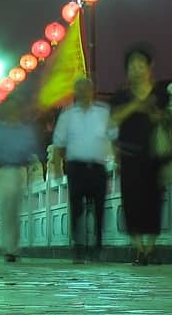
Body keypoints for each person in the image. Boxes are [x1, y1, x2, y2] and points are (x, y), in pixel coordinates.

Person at [108, 43, 172, 265]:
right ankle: (139, 249)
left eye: (140, 64)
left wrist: (154, 111)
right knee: (132, 202)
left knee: (154, 200)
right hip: (130, 154)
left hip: (156, 154)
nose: (136, 69)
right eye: (131, 65)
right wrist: (136, 105)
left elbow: (170, 116)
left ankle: (151, 248)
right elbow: (113, 119)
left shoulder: (161, 92)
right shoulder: (122, 96)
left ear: (149, 66)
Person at [51, 75, 114, 262]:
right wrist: (56, 167)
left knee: (99, 207)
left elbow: (113, 135)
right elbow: (59, 142)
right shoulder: (68, 115)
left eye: (87, 89)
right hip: (76, 167)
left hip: (97, 166)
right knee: (76, 207)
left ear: (92, 91)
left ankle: (97, 246)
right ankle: (78, 248)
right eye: (79, 89)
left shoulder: (103, 112)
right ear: (75, 92)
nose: (83, 92)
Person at [0, 94, 41, 262]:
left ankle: (13, 246)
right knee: (7, 209)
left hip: (19, 170)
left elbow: (32, 149)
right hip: (2, 171)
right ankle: (10, 248)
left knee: (15, 209)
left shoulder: (24, 131)